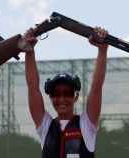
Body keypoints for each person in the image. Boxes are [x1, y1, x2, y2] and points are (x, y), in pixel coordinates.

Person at [22, 27, 108, 158]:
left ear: (75, 97)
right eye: (56, 93)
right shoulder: (45, 126)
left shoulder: (86, 125)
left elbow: (97, 86)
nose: (61, 98)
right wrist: (29, 51)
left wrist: (102, 50)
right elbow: (32, 87)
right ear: (50, 97)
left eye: (67, 93)